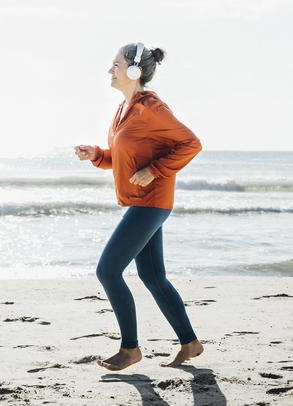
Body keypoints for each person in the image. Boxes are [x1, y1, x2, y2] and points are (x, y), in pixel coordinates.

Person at [73, 42, 204, 371]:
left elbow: (191, 143)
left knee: (108, 270)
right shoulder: (123, 109)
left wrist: (156, 170)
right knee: (152, 276)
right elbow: (125, 157)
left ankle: (130, 349)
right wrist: (98, 155)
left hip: (151, 202)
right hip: (142, 202)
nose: (109, 70)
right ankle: (190, 343)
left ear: (133, 70)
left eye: (115, 64)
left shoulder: (151, 107)